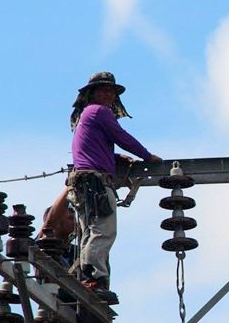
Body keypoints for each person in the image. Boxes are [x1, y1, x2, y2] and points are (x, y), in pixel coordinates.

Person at [67, 71, 162, 304]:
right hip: (95, 183)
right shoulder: (99, 112)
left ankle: (86, 277)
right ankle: (94, 278)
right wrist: (147, 156)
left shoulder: (86, 116)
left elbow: (99, 146)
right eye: (103, 90)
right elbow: (122, 136)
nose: (109, 94)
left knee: (89, 231)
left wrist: (115, 157)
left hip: (83, 183)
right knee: (103, 230)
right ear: (92, 94)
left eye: (111, 91)